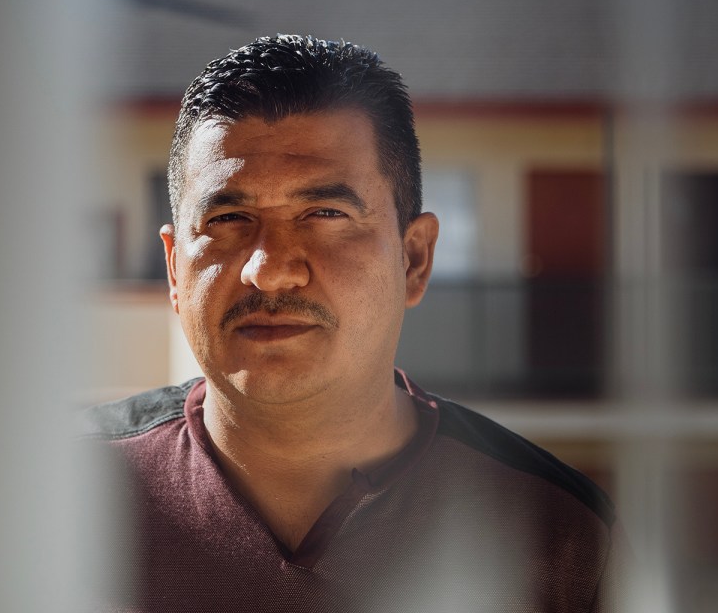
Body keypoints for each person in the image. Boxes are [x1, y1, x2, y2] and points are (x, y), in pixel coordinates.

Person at [83, 34, 624, 612]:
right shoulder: (55, 495)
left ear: (414, 259)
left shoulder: (558, 536)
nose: (269, 271)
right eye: (229, 217)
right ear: (173, 266)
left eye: (324, 214)